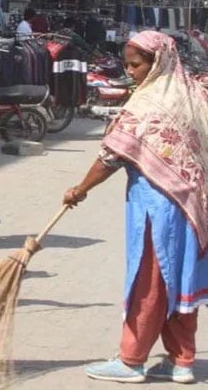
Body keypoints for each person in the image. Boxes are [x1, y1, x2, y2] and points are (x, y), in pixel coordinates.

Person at [63, 31, 208, 384]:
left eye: (136, 64)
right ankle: (182, 361)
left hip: (157, 210)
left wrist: (79, 190)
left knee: (150, 283)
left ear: (157, 62)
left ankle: (132, 360)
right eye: (128, 63)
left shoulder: (146, 106)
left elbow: (111, 157)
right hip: (190, 207)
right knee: (179, 282)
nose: (130, 71)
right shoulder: (192, 93)